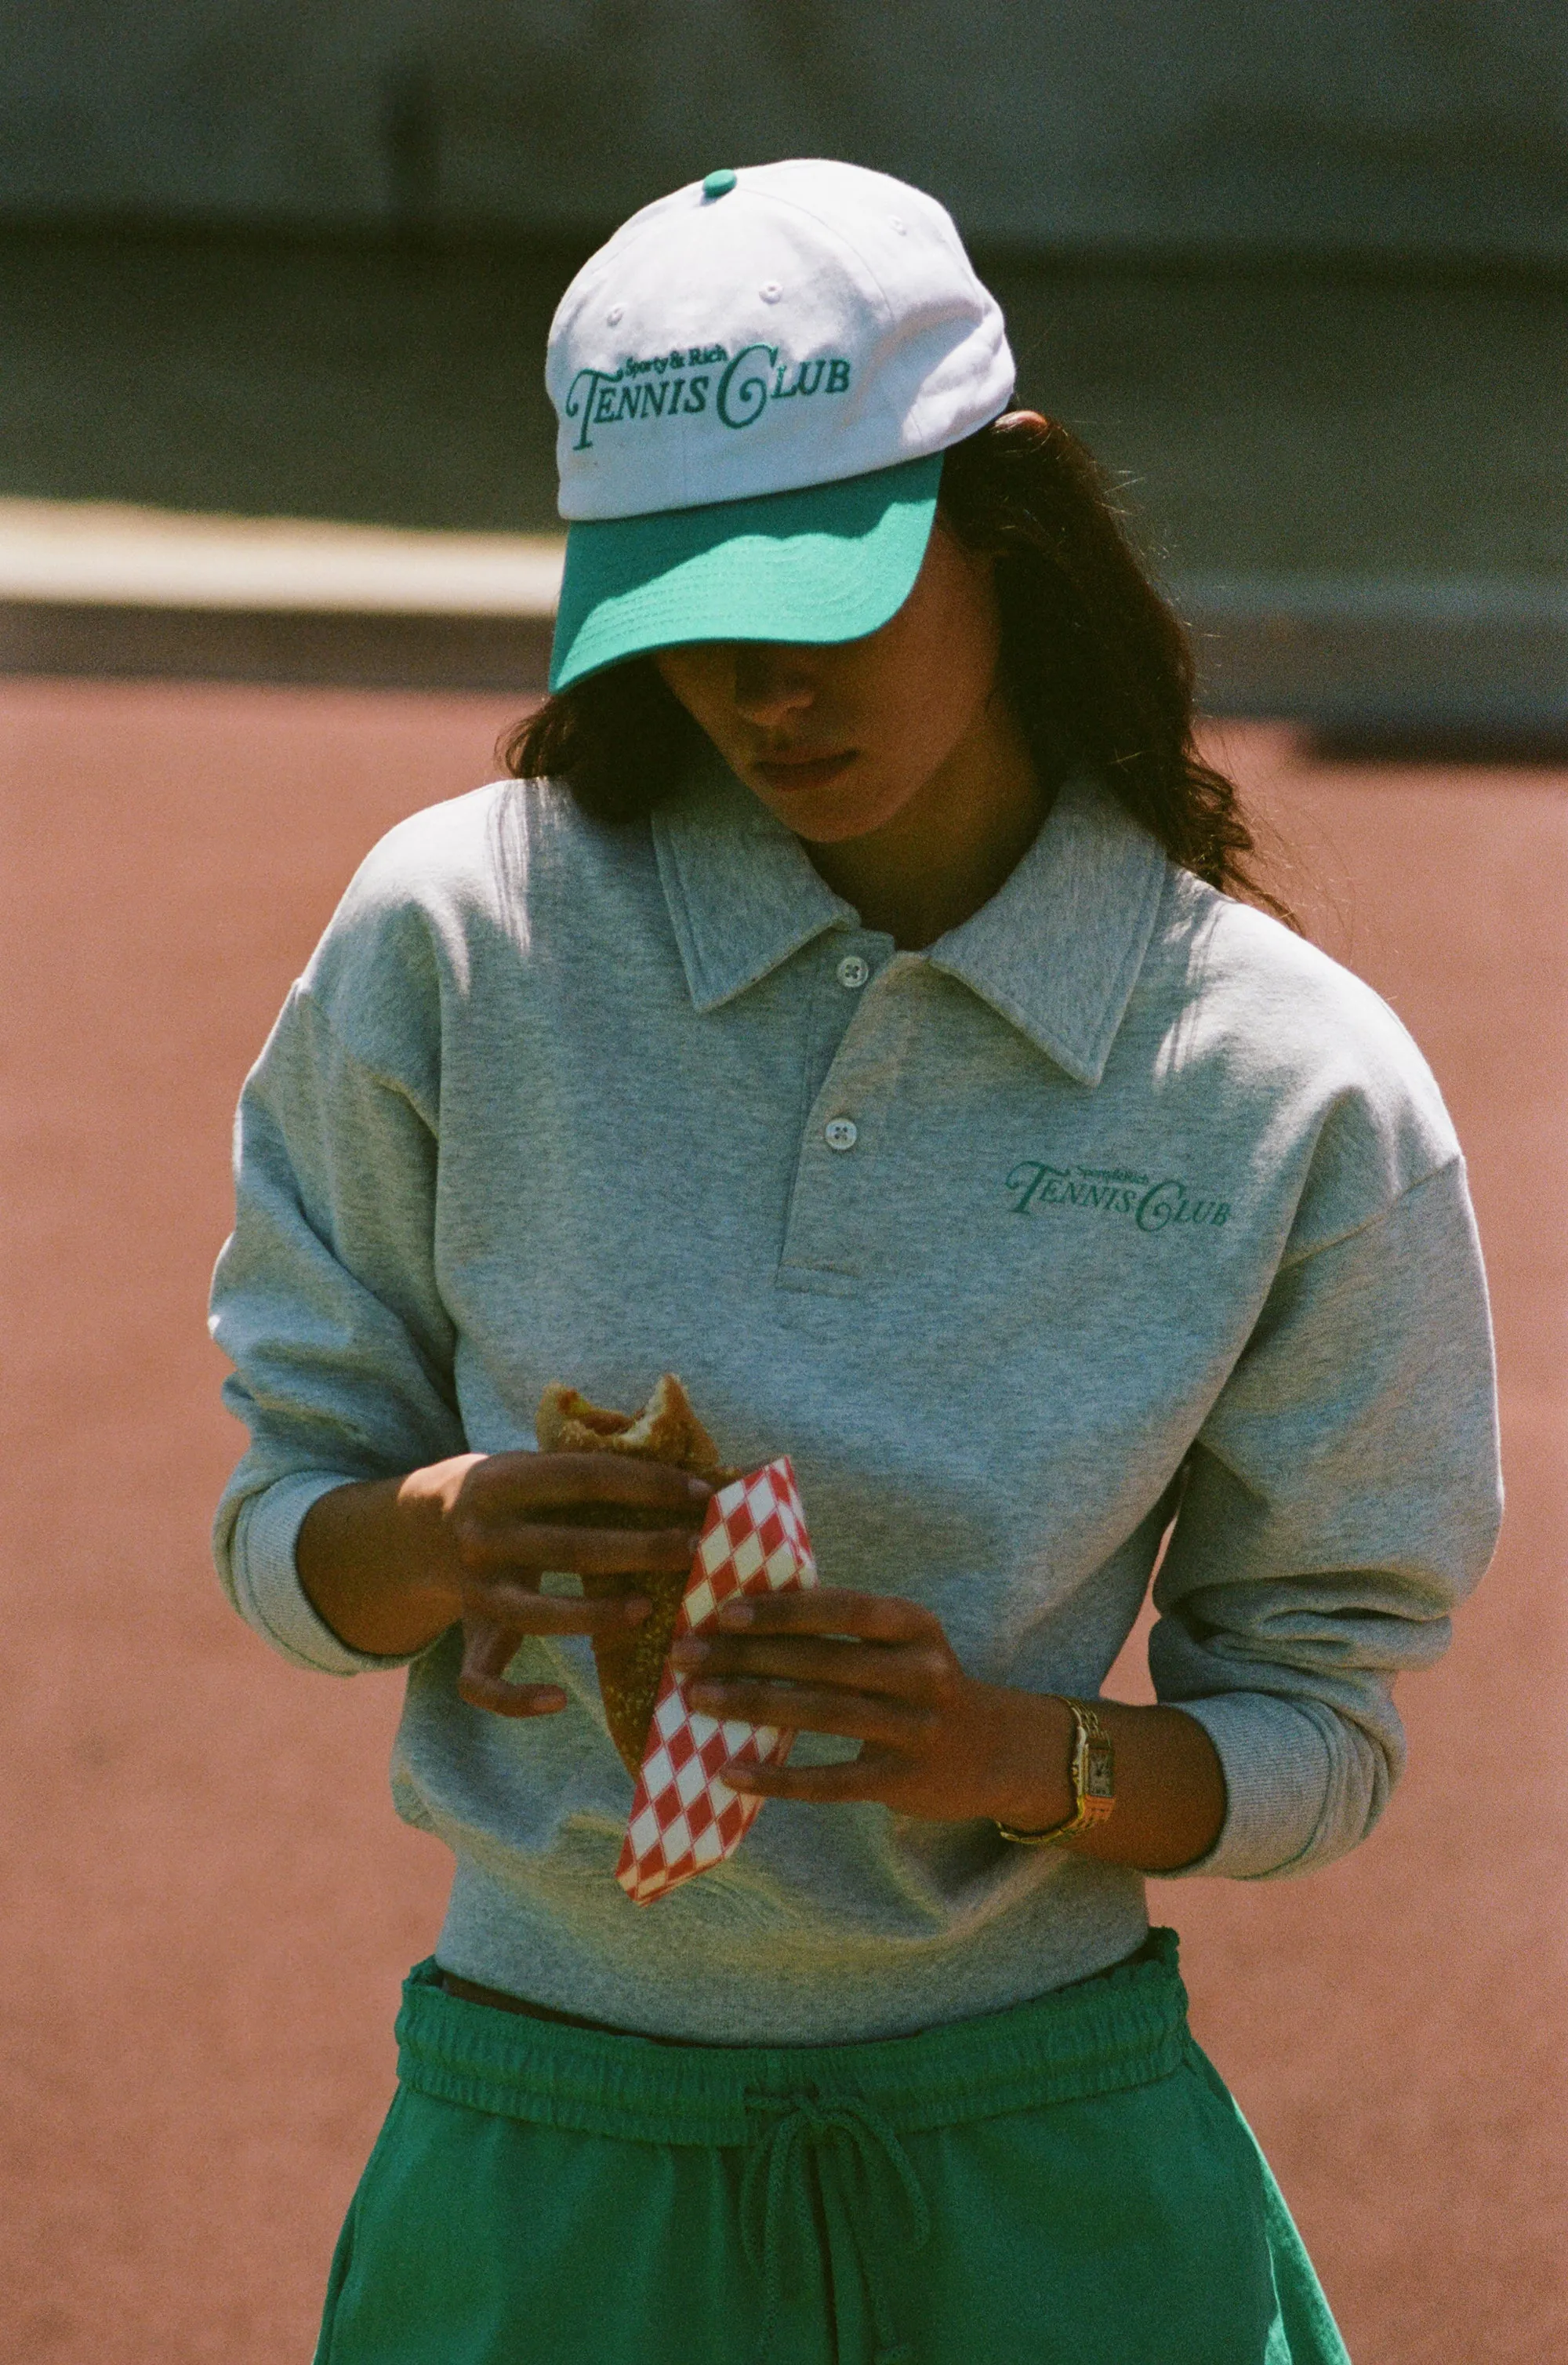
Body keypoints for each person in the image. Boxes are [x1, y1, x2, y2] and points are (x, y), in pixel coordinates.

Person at [210, 161, 1501, 2365]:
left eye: (821, 595)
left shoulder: (1294, 1081)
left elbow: (1321, 1724)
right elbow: (281, 1527)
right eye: (672, 616)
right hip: (542, 2158)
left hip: (1053, 2168)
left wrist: (1014, 1759)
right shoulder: (455, 935)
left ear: (1004, 528)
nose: (749, 686)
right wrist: (442, 1536)